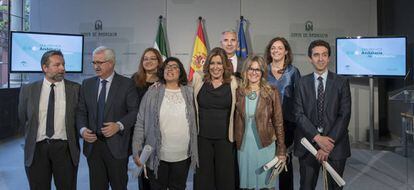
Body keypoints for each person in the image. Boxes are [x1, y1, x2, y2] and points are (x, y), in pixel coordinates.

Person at [76, 46, 139, 190]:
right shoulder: (87, 84)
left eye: (100, 62)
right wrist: (83, 130)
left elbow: (135, 112)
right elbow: (81, 112)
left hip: (116, 146)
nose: (96, 66)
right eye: (94, 63)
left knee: (119, 186)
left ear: (111, 63)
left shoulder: (127, 84)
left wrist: (119, 125)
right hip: (93, 147)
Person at [132, 57, 198, 190]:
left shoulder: (190, 92)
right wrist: (136, 148)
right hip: (157, 156)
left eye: (174, 67)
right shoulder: (152, 92)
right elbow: (140, 122)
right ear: (162, 71)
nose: (170, 69)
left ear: (181, 72)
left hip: (182, 155)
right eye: (167, 67)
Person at [294, 40, 351, 190]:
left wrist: (327, 145)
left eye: (324, 55)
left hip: (335, 146)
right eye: (316, 55)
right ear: (310, 58)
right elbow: (298, 114)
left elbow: (344, 114)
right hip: (308, 145)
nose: (320, 59)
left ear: (329, 58)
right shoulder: (301, 83)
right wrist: (317, 138)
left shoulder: (341, 82)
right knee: (306, 187)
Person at [18, 50, 80, 190]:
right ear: (45, 68)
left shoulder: (75, 89)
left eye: (63, 64)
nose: (62, 68)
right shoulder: (28, 90)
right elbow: (23, 118)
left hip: (65, 149)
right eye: (57, 65)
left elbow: (79, 118)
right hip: (37, 149)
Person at [234, 55, 287, 189]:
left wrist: (281, 149)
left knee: (265, 184)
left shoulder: (271, 91)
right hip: (244, 145)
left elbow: (279, 122)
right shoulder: (238, 91)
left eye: (258, 70)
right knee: (247, 182)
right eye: (251, 69)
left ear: (262, 72)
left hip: (265, 144)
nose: (254, 72)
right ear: (245, 71)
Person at [193, 47, 238, 190]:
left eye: (219, 63)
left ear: (225, 65)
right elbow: (180, 88)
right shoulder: (198, 78)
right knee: (203, 180)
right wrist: (160, 83)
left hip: (225, 139)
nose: (216, 67)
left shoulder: (234, 82)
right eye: (212, 63)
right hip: (202, 139)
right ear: (208, 65)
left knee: (225, 180)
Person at [264, 37, 301, 190]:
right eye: (273, 48)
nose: (276, 51)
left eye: (280, 48)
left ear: (286, 51)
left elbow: (299, 98)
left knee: (285, 159)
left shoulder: (293, 71)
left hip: (288, 123)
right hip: (266, 122)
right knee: (266, 158)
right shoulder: (263, 70)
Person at [132, 47, 163, 190]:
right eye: (145, 59)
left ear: (158, 61)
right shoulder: (135, 79)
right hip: (139, 130)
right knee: (141, 169)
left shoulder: (164, 81)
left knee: (156, 173)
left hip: (157, 131)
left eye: (152, 58)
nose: (148, 61)